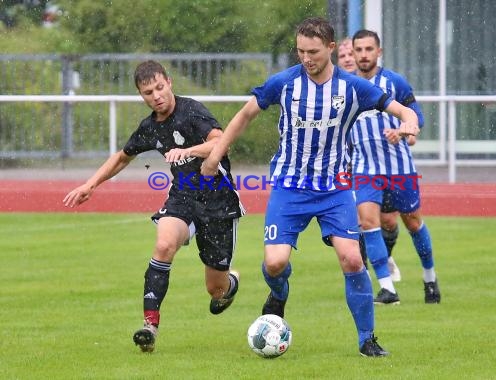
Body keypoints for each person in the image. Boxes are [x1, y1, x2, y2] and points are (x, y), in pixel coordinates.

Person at [201, 17, 419, 357]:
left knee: (351, 260)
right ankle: (278, 293)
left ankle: (367, 339)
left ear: (331, 48)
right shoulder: (285, 83)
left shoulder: (352, 87)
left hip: (335, 190)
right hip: (289, 188)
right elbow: (244, 115)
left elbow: (403, 109)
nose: (306, 58)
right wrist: (216, 155)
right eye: (301, 51)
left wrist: (409, 122)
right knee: (274, 264)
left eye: (313, 51)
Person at [63, 60, 245, 353]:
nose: (156, 95)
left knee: (216, 290)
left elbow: (220, 141)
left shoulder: (192, 111)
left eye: (159, 87)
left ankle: (230, 285)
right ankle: (150, 326)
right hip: (183, 197)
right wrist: (90, 185)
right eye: (148, 92)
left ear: (169, 82)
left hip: (217, 201)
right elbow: (122, 157)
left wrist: (188, 151)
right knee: (163, 246)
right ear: (141, 95)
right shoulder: (149, 127)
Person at [350, 29, 441, 304]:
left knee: (412, 222)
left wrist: (402, 131)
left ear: (379, 52)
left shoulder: (394, 83)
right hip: (364, 169)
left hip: (400, 169)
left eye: (369, 49)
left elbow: (418, 119)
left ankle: (430, 278)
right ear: (352, 54)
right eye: (359, 49)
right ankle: (387, 288)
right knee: (368, 223)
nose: (364, 54)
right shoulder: (346, 86)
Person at [337, 36, 403, 283]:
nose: (347, 59)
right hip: (348, 166)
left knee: (387, 220)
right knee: (357, 220)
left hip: (380, 164)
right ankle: (363, 273)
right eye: (342, 56)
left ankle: (385, 255)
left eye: (349, 55)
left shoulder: (371, 89)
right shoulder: (335, 89)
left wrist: (404, 133)